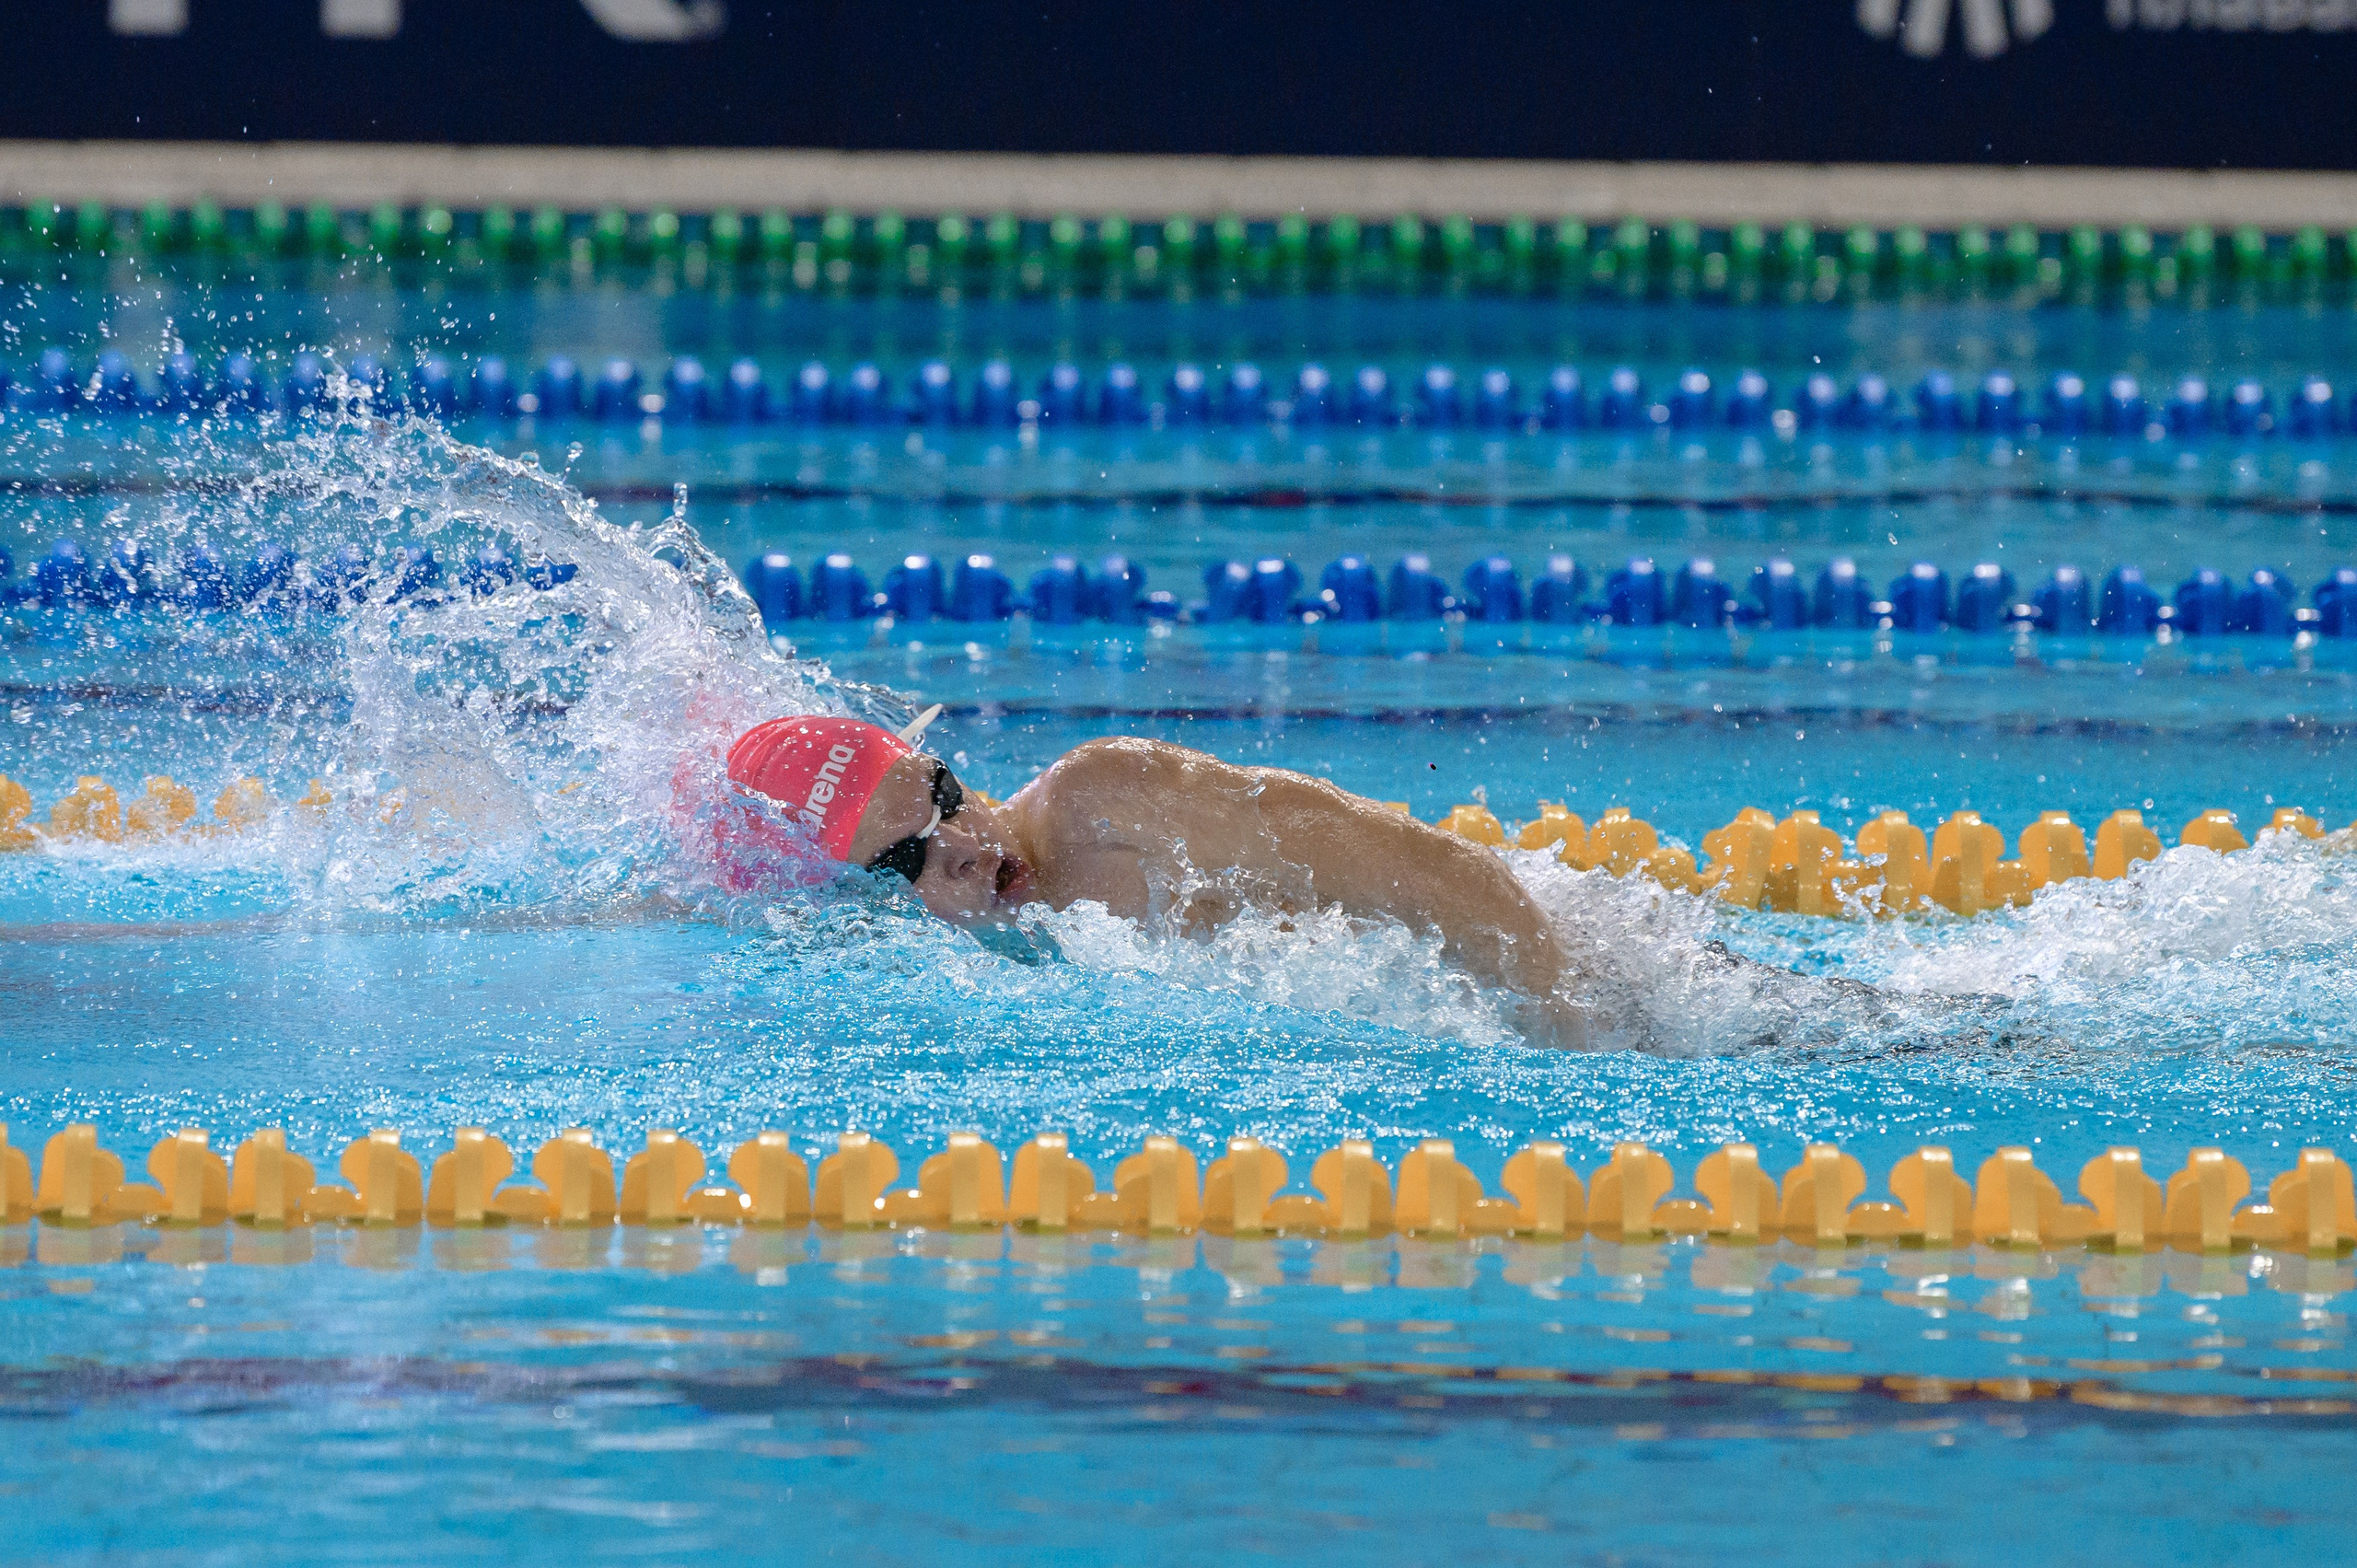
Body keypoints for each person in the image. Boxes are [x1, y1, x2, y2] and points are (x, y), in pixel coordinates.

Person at [723, 713, 1603, 1045]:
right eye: (909, 860)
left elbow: (1420, 866)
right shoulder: (933, 982)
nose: (967, 845)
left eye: (945, 797)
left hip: (1587, 984)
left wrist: (1571, 1022)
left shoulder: (1105, 802)